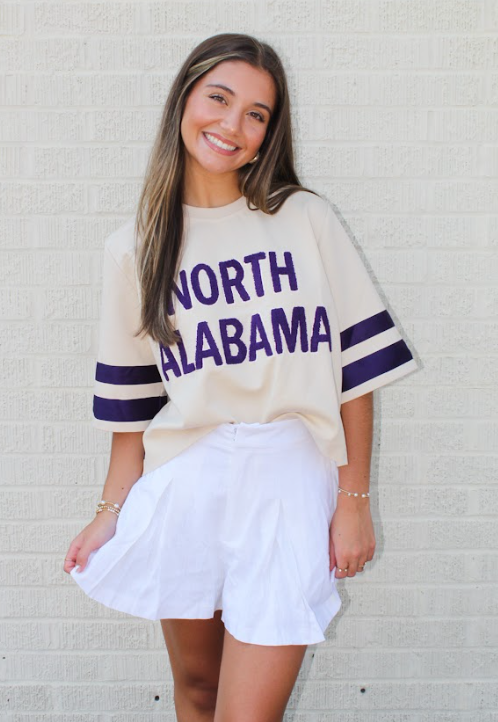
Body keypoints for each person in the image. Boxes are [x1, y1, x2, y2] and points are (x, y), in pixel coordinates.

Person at [63, 32, 418, 722]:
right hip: (188, 479)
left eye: (256, 114)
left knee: (247, 714)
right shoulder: (134, 246)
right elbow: (133, 407)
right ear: (184, 103)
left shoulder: (304, 219)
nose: (232, 125)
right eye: (219, 100)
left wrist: (353, 498)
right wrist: (110, 513)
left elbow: (356, 373)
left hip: (286, 474)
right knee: (196, 692)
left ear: (269, 132)